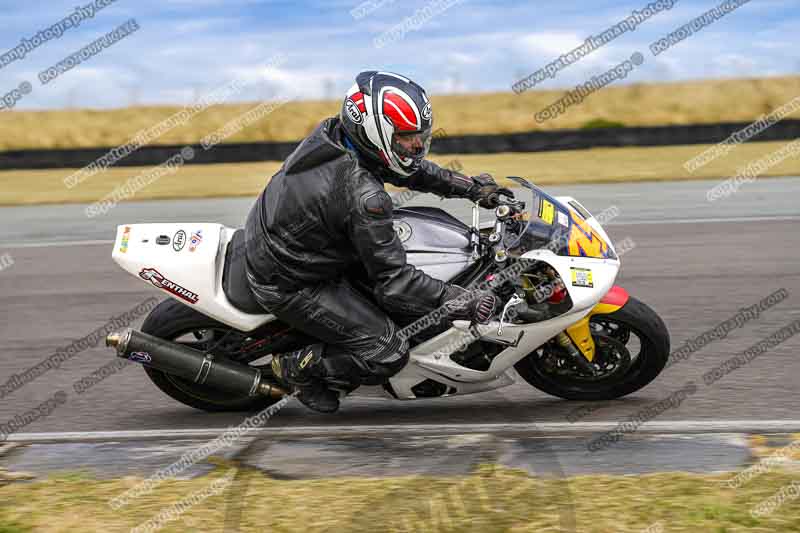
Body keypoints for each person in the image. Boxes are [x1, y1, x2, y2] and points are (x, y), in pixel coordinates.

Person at [244, 70, 512, 413]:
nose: (416, 144)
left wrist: (472, 189)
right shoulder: (364, 196)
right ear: (376, 133)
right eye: (405, 137)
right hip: (290, 279)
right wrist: (463, 299)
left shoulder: (336, 135)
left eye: (419, 136)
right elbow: (396, 285)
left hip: (288, 239)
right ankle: (299, 367)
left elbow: (409, 169)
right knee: (389, 351)